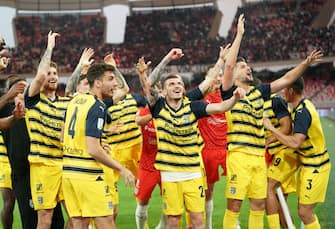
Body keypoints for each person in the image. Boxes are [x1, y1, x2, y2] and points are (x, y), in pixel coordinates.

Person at [220, 14, 323, 228]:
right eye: (243, 67)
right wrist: (239, 35)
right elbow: (228, 68)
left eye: (248, 66)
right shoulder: (229, 92)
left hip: (258, 157)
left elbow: (285, 80)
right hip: (239, 155)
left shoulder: (260, 92)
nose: (248, 68)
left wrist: (305, 63)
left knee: (258, 204)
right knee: (234, 205)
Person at [138, 42, 245, 228]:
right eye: (171, 83)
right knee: (173, 221)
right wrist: (167, 59)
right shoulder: (158, 107)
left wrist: (234, 97)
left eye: (179, 83)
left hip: (193, 173)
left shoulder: (193, 106)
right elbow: (148, 84)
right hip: (170, 175)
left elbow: (219, 104)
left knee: (197, 219)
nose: (176, 85)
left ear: (184, 89)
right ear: (163, 91)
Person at [62, 63, 135, 228]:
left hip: (69, 173)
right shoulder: (97, 106)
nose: (115, 84)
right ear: (98, 83)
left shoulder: (75, 101)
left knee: (78, 223)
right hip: (88, 175)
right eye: (110, 79)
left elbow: (63, 136)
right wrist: (122, 169)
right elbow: (93, 149)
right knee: (106, 222)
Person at [264, 77, 331, 229]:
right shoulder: (300, 106)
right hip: (308, 164)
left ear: (291, 91)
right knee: (302, 210)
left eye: (285, 88)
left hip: (316, 167)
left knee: (305, 212)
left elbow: (295, 142)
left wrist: (271, 129)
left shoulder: (302, 112)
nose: (282, 91)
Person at [24, 31, 68, 228]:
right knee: (45, 217)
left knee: (77, 217)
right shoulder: (32, 99)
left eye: (55, 73)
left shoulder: (66, 104)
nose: (51, 76)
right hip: (43, 166)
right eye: (49, 73)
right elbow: (40, 75)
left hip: (67, 164)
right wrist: (50, 48)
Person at [264, 93, 299, 228]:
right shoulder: (261, 104)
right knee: (280, 202)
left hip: (285, 152)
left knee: (269, 187)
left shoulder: (275, 100)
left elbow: (287, 127)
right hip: (278, 154)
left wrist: (268, 140)